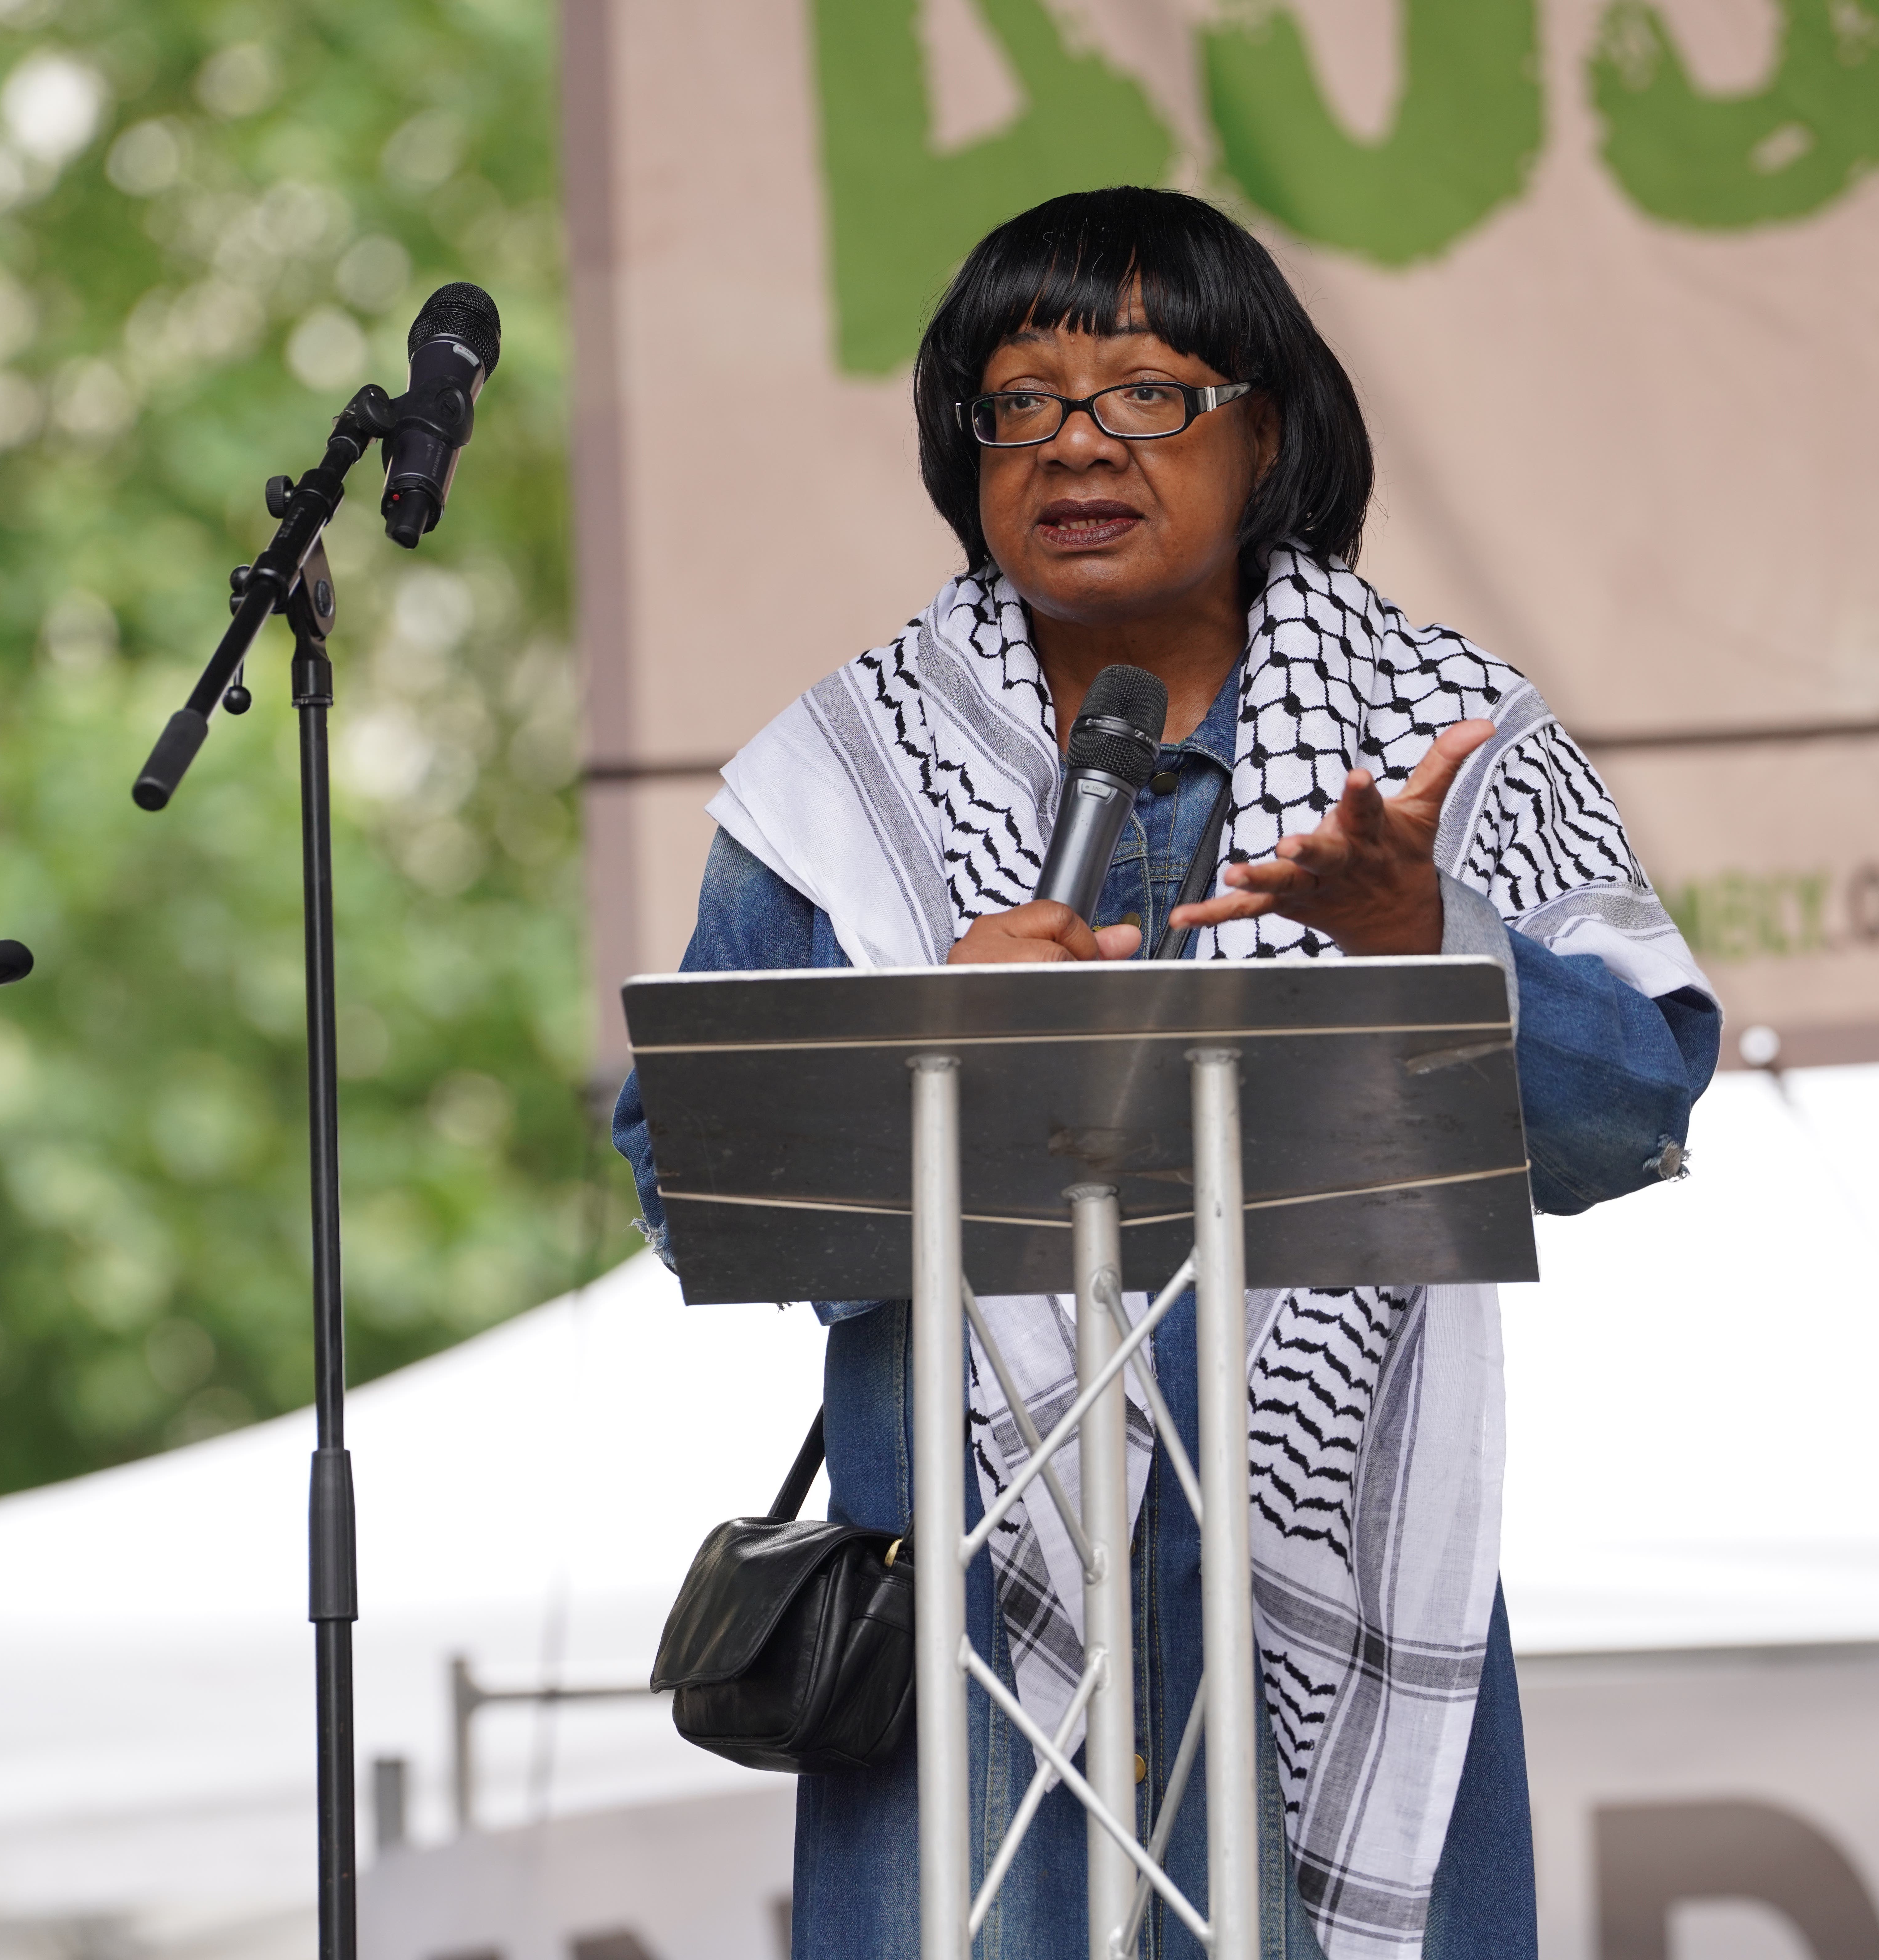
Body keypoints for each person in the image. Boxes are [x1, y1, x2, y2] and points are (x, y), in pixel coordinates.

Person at [613, 186, 1718, 1960]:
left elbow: (1634, 1117)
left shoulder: (1444, 738)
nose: (1077, 446)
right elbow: (692, 1192)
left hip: (1338, 1582)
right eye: (1023, 400)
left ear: (1266, 427)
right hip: (970, 1621)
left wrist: (1431, 934)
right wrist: (921, 1014)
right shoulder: (831, 780)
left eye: (1146, 393)